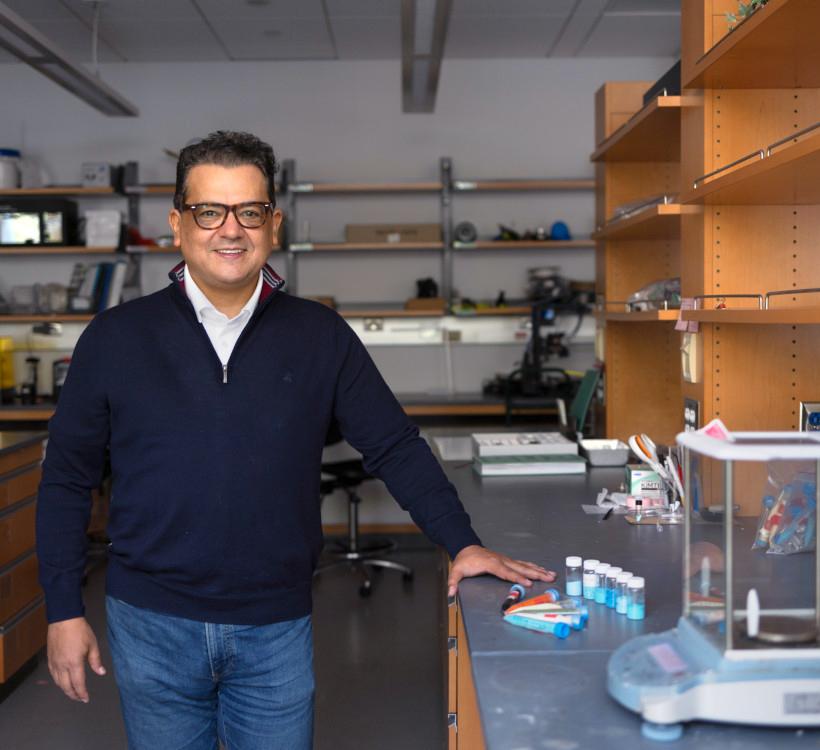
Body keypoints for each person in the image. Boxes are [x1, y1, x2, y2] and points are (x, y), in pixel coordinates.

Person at [37, 130, 555, 750]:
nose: (231, 229)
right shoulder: (115, 338)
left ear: (273, 224)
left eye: (249, 211)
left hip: (274, 624)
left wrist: (462, 543)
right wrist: (64, 608)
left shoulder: (320, 335)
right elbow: (68, 477)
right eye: (210, 211)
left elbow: (394, 444)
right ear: (178, 223)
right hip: (151, 623)